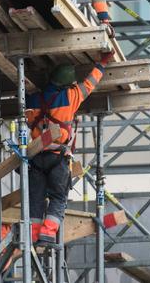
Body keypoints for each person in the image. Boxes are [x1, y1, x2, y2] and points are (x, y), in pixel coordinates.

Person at [26, 51, 114, 245]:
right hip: (58, 157)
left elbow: (28, 120)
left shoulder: (32, 99)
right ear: (67, 83)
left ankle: (33, 236)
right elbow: (90, 82)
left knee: (35, 200)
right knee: (58, 197)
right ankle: (48, 233)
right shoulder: (71, 95)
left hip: (36, 157)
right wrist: (102, 63)